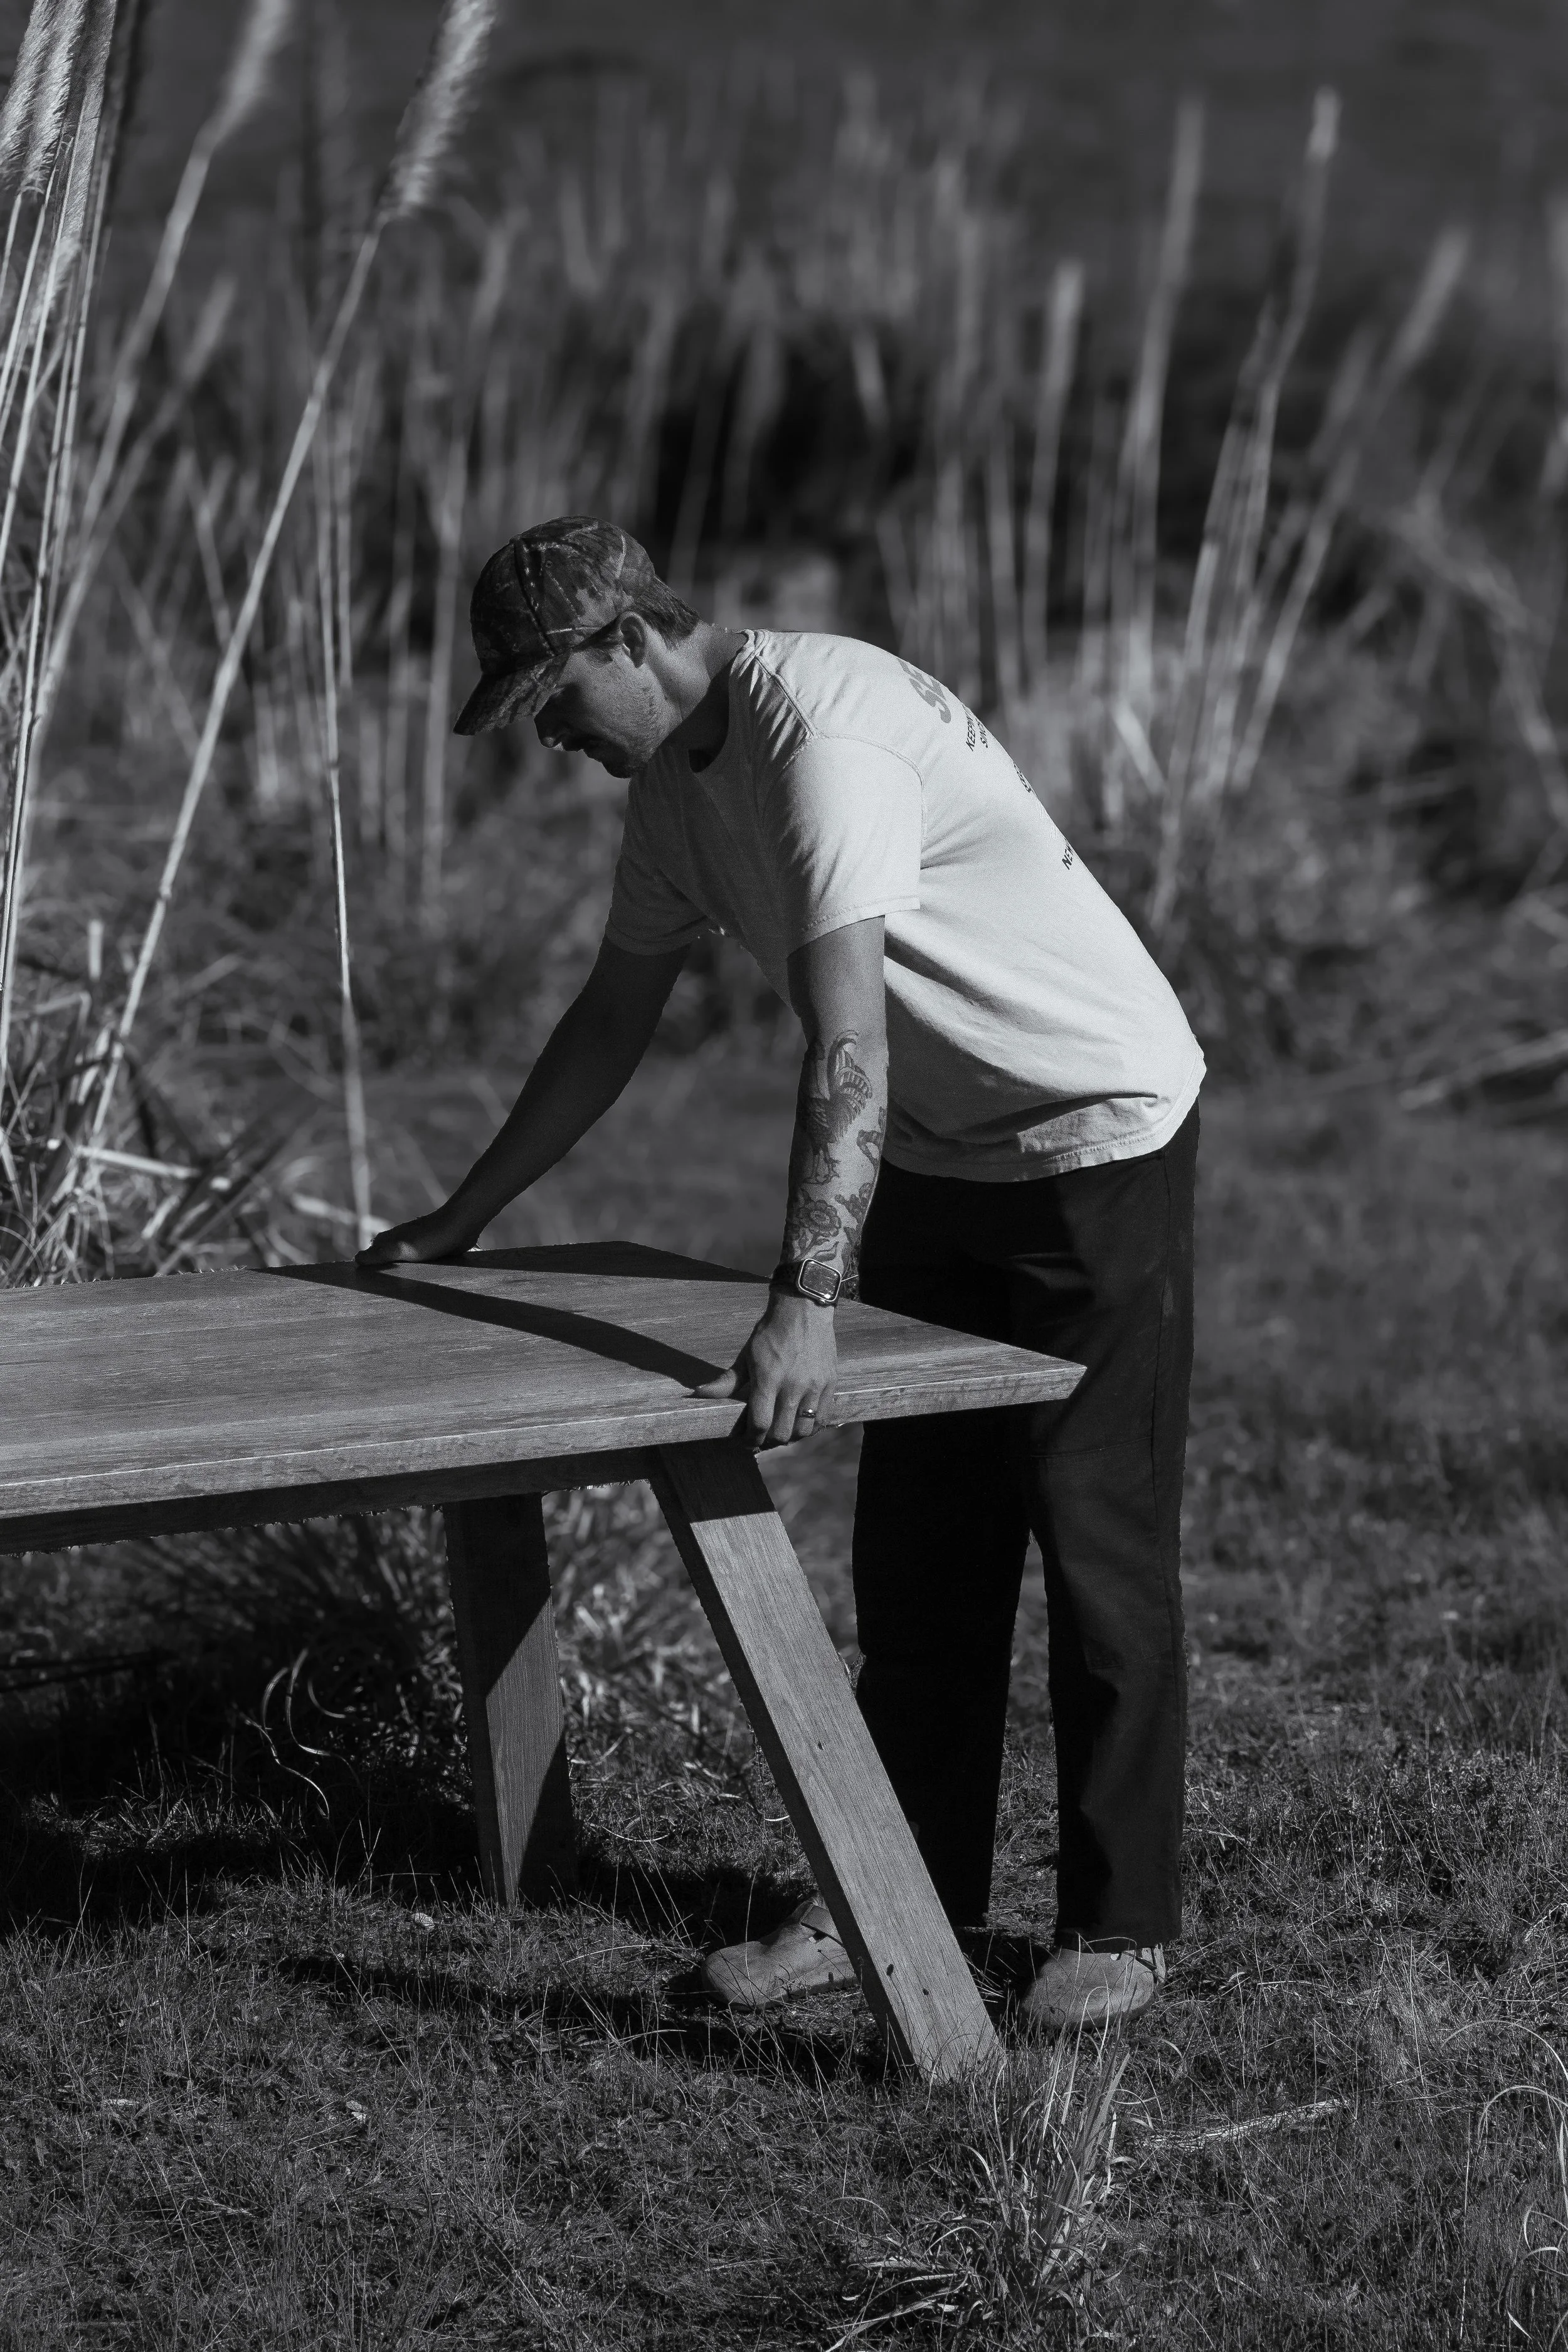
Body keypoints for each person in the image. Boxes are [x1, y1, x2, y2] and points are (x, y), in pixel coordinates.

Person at [359, 516, 1203, 2033]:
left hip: (1093, 1137)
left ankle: (1120, 1924)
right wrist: (457, 1217)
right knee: (921, 1562)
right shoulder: (678, 793)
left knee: (1095, 1538)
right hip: (940, 1154)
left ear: (629, 641)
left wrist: (805, 1298)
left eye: (553, 698)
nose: (550, 737)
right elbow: (610, 1020)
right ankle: (893, 1896)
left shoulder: (825, 739)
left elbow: (846, 1042)